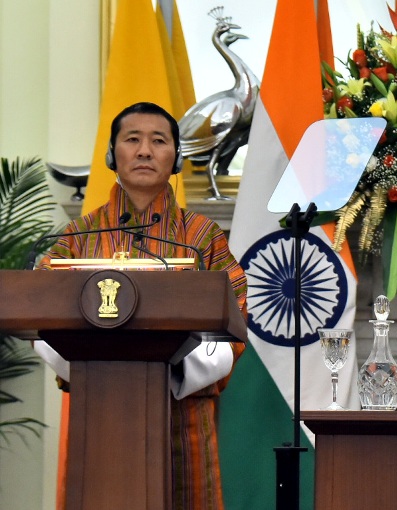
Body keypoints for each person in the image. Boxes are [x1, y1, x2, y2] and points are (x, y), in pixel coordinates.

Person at [34, 102, 247, 510]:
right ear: (113, 155)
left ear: (177, 157)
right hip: (100, 409)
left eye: (159, 141)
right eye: (132, 140)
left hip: (184, 415)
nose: (145, 151)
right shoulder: (79, 237)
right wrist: (94, 367)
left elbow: (236, 321)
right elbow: (42, 315)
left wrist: (169, 371)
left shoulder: (202, 237)